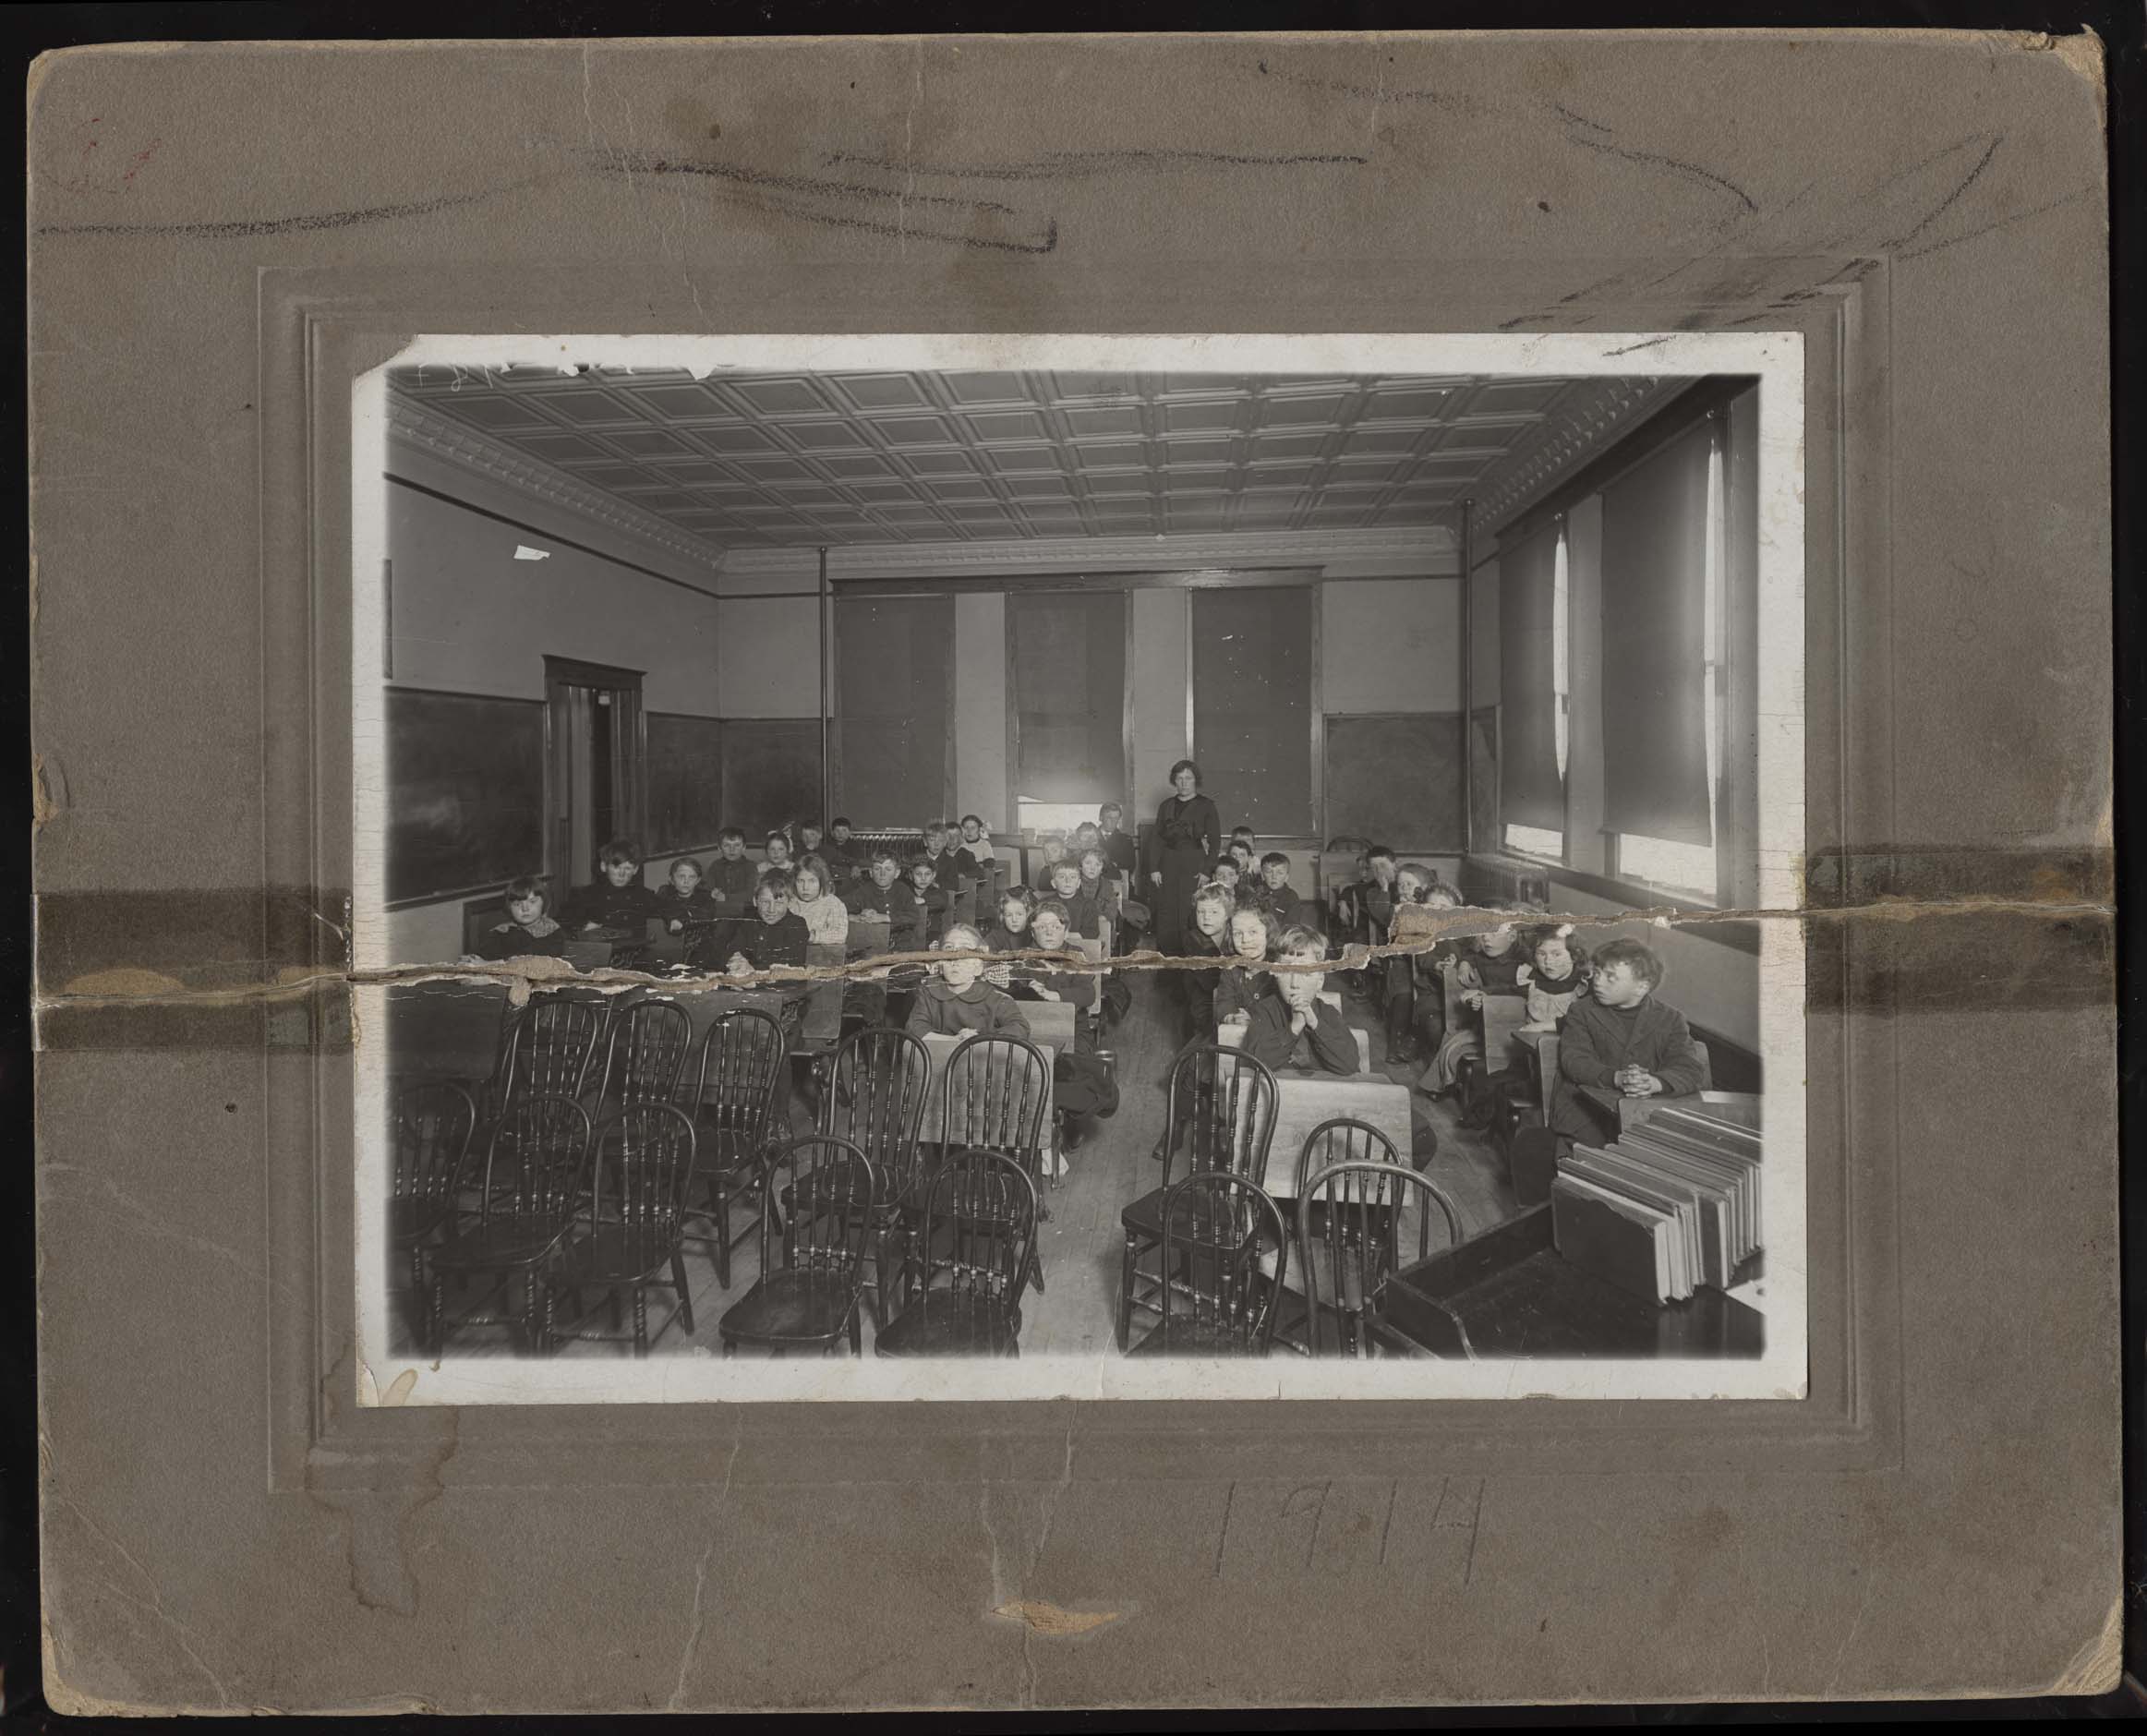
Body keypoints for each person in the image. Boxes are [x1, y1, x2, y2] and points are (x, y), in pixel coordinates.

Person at [1507, 938, 1707, 1205]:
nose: (1598, 981)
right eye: (1598, 973)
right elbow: (1575, 1060)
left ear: (1642, 986)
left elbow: (1689, 1068)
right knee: (1587, 1167)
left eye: (1610, 977)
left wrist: (1656, 1083)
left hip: (1645, 1115)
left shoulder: (1670, 1019)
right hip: (1584, 1112)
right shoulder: (1581, 1011)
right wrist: (1617, 1077)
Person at [1020, 898, 1121, 1151]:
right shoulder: (1023, 958)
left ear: (1066, 930)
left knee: (1074, 1068)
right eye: (1042, 927)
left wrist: (1056, 995)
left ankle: (1073, 1122)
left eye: (1055, 926)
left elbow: (1088, 995)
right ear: (1032, 929)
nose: (1049, 932)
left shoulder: (1077, 954)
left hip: (1074, 1028)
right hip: (1034, 1028)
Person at [1419, 912, 1530, 1111]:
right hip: (1487, 1017)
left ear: (1512, 937)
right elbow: (1471, 955)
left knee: (1457, 1043)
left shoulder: (1523, 960)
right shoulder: (1483, 957)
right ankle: (1442, 1083)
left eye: (1494, 934)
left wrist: (1485, 993)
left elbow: (1521, 990)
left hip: (1513, 1022)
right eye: (1483, 934)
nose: (1486, 938)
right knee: (1453, 1041)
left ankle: (1443, 1083)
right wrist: (1464, 964)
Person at [1238, 926, 1360, 1076]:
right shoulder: (1264, 1011)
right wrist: (1293, 1028)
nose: (1294, 983)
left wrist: (1315, 1024)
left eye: (1306, 973)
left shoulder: (1329, 1013)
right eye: (1286, 971)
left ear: (1320, 980)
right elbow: (1256, 1063)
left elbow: (1349, 1065)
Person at [1145, 760, 1221, 956]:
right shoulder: (1166, 806)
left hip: (1194, 864)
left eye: (1188, 778)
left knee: (1190, 911)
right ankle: (1168, 962)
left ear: (1196, 780)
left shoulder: (1207, 806)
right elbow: (1156, 840)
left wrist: (1207, 871)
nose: (1184, 783)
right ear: (1174, 781)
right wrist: (1154, 868)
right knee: (1166, 912)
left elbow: (1215, 842)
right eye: (1179, 778)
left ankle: (1192, 960)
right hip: (1167, 864)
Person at [905, 923, 1032, 1040]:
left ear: (978, 966)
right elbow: (915, 1027)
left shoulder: (996, 999)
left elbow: (1020, 1028)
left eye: (965, 951)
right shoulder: (928, 993)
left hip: (980, 1062)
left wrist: (980, 1037)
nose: (955, 959)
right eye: (949, 949)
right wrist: (953, 1041)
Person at [561, 838, 662, 968]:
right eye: (616, 867)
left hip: (636, 960)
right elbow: (564, 921)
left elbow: (668, 907)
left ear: (635, 869)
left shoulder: (644, 895)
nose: (621, 874)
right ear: (604, 866)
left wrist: (673, 919)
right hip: (597, 959)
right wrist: (583, 926)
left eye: (627, 868)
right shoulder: (585, 894)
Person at [464, 876, 570, 962]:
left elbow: (525, 962)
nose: (525, 908)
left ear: (544, 903)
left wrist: (486, 965)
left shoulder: (551, 931)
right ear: (509, 907)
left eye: (532, 902)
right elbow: (483, 954)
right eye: (517, 904)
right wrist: (472, 960)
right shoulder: (502, 931)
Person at [1212, 903, 1278, 1030]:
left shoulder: (1277, 969)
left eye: (1253, 932)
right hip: (1238, 1032)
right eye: (1238, 933)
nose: (1245, 940)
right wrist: (1231, 1017)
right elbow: (1223, 1003)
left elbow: (1280, 1009)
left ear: (1268, 933)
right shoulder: (1230, 968)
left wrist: (1254, 1016)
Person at [888, 853, 948, 954]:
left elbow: (941, 902)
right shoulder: (904, 890)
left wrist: (922, 900)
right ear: (911, 875)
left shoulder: (939, 893)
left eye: (927, 874)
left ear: (934, 875)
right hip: (907, 936)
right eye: (918, 874)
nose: (923, 878)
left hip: (931, 935)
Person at [787, 856, 851, 948]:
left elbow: (840, 935)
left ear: (822, 882)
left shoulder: (833, 904)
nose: (805, 887)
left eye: (812, 881)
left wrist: (811, 936)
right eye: (800, 881)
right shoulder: (790, 902)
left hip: (820, 956)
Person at [653, 855, 715, 939]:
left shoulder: (706, 897)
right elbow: (660, 910)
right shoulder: (664, 894)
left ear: (698, 880)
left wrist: (682, 920)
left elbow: (705, 915)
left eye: (692, 877)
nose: (686, 881)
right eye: (681, 876)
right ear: (671, 879)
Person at [1043, 857, 1102, 940]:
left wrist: (1066, 936)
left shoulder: (1088, 904)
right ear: (1054, 883)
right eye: (1062, 877)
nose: (1068, 881)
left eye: (1073, 877)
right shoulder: (1044, 904)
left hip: (1078, 945)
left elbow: (1092, 933)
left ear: (1078, 883)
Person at [706, 827, 759, 917]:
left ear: (744, 848)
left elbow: (751, 894)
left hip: (744, 910)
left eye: (737, 845)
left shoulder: (750, 866)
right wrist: (712, 893)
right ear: (719, 848)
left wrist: (726, 897)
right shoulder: (715, 865)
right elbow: (708, 889)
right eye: (727, 845)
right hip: (720, 909)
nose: (732, 849)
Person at [1253, 851, 1299, 924]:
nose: (1274, 876)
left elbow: (1292, 925)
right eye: (1269, 872)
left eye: (1280, 873)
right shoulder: (1254, 893)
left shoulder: (1291, 897)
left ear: (1287, 877)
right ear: (1262, 875)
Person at [821, 815, 862, 882]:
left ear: (849, 833)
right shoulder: (827, 846)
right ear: (832, 833)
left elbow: (857, 860)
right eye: (837, 830)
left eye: (844, 830)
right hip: (831, 877)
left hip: (849, 877)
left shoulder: (855, 846)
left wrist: (855, 866)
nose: (840, 834)